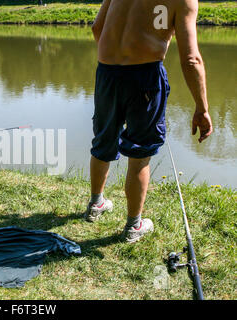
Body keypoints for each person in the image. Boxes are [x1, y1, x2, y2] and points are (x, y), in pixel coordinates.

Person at [85, 0, 213, 243]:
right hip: (144, 75)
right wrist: (202, 108)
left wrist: (118, 58)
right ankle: (134, 226)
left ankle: (95, 203)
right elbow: (191, 59)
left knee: (103, 139)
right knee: (140, 151)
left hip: (107, 71)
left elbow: (97, 28)